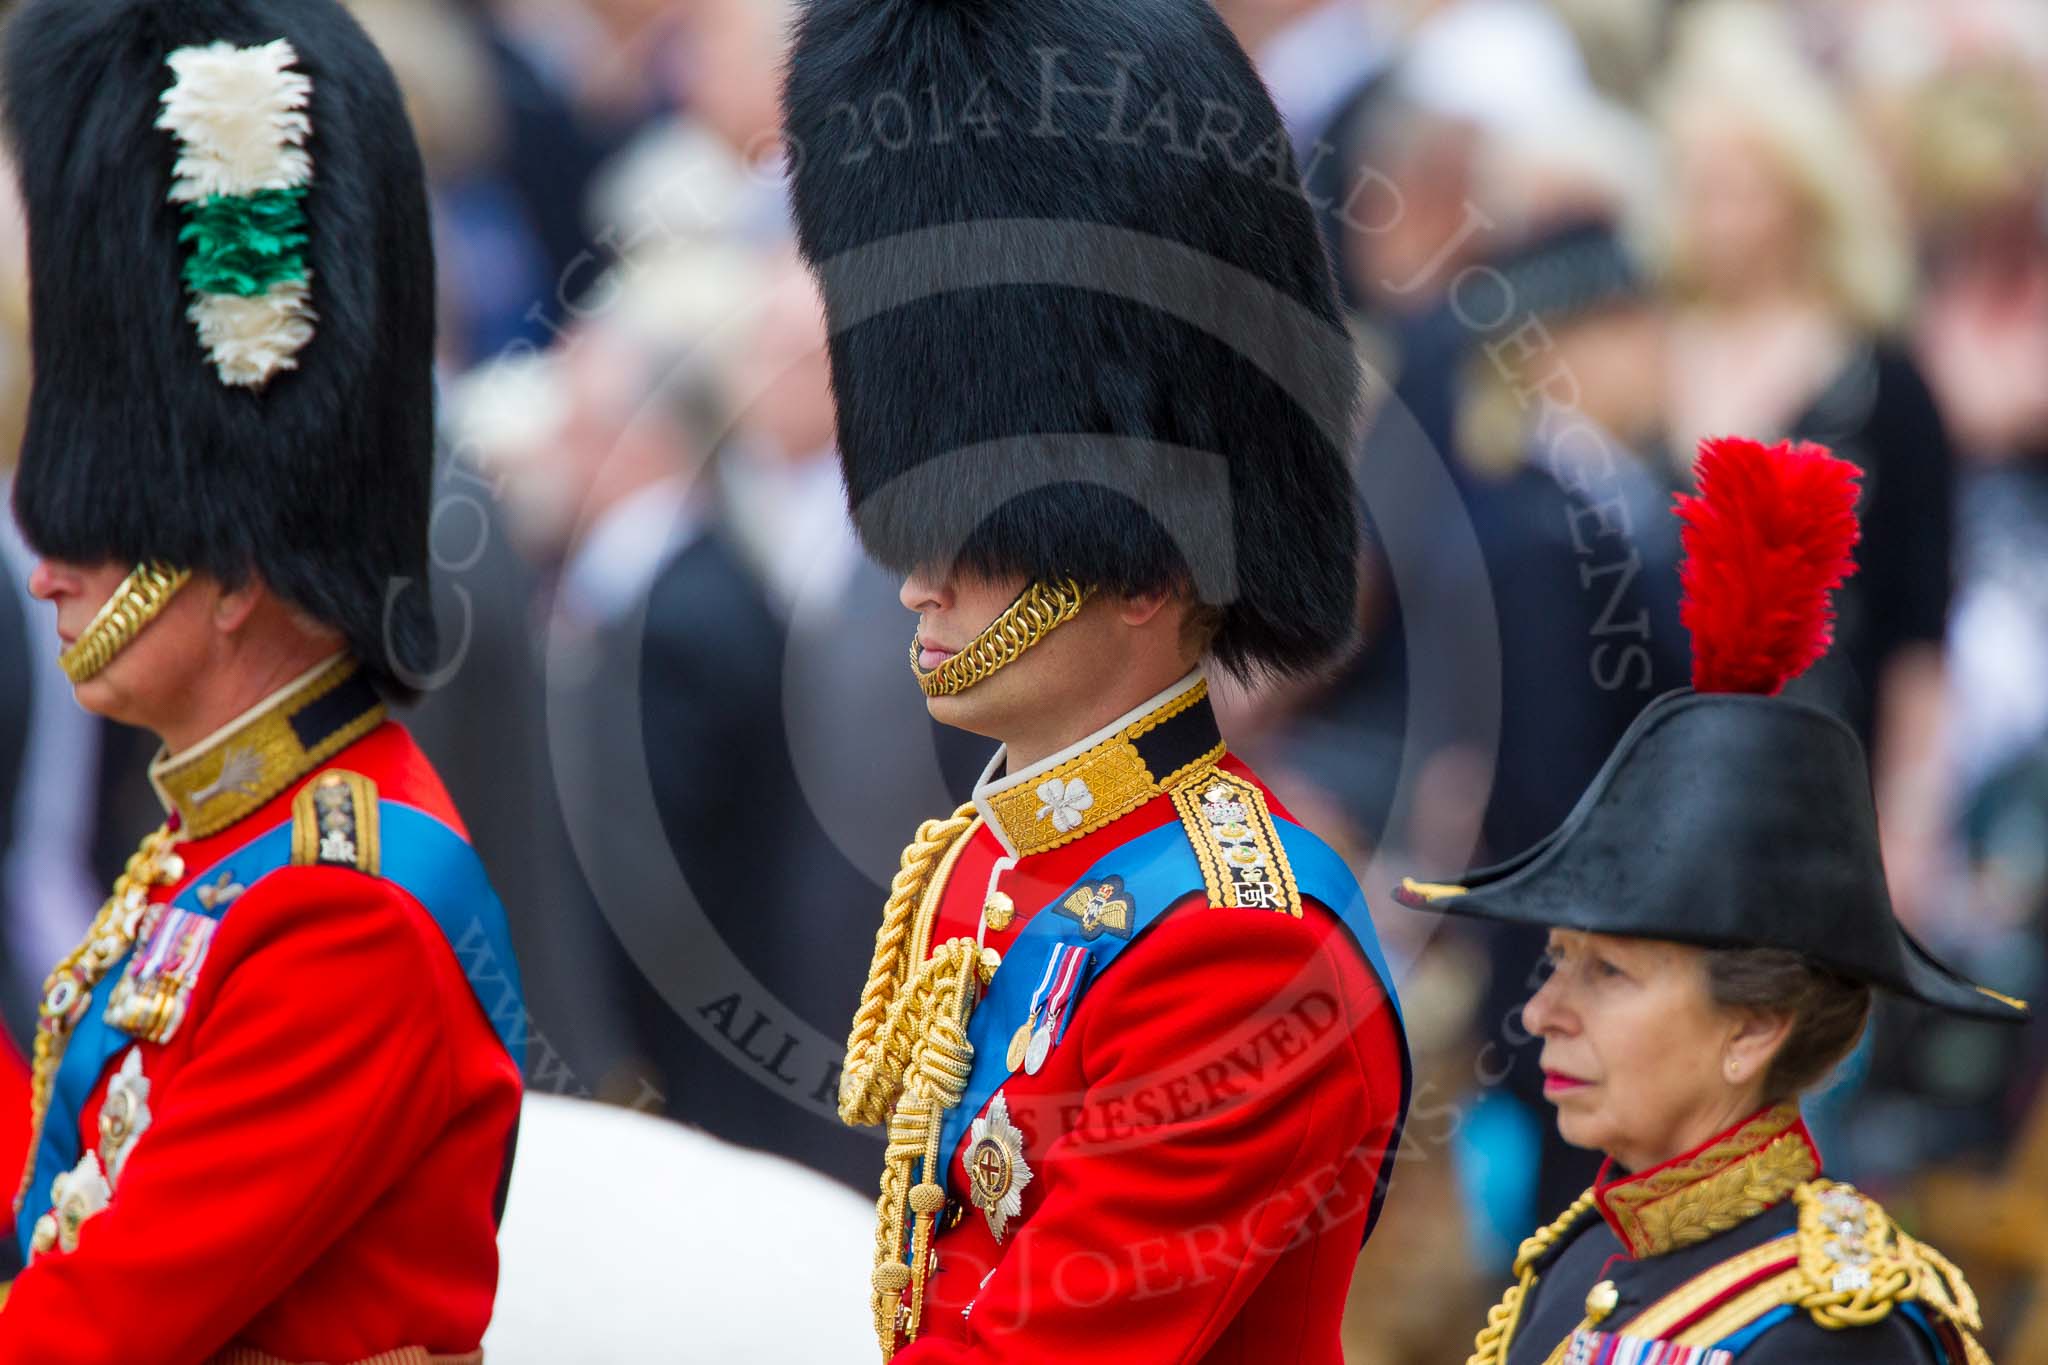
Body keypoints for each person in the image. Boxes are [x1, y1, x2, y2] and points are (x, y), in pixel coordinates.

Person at [782, 0, 1411, 1358]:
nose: (916, 580)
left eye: (983, 534)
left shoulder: (1240, 948)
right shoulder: (984, 861)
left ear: (1143, 569)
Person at [0, 2, 524, 1360]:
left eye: (96, 523)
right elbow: (50, 1206)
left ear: (231, 568)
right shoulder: (219, 846)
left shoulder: (338, 907)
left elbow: (82, 1333)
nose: (48, 569)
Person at [1397, 436, 2021, 1364]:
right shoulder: (1580, 1258)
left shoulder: (1832, 1327)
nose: (1541, 1011)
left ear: (1754, 1026)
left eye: (1607, 971)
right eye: (1558, 959)